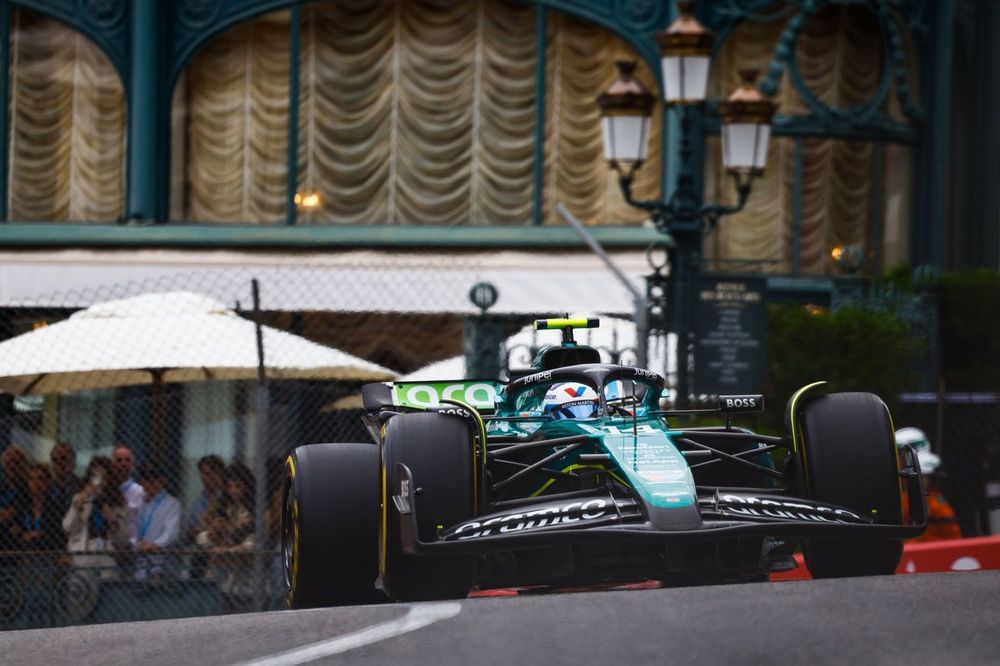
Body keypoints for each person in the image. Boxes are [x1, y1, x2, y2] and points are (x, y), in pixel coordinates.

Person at [62, 456, 129, 578]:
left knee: (108, 586)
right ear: (88, 478)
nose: (98, 482)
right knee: (81, 590)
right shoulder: (80, 498)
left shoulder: (119, 504)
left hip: (106, 554)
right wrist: (77, 506)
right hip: (83, 554)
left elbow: (123, 540)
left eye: (103, 477)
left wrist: (112, 520)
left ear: (109, 479)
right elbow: (67, 527)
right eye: (94, 477)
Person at [896, 427, 963, 542]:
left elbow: (954, 539)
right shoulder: (901, 494)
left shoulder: (935, 505)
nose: (896, 458)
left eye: (898, 453)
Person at [134, 463, 181, 580]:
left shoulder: (172, 503)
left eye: (154, 478)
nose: (150, 482)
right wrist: (137, 543)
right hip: (140, 560)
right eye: (146, 478)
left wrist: (154, 545)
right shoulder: (137, 503)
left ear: (162, 480)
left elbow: (171, 532)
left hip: (163, 562)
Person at [16, 464, 63, 552]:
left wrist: (30, 535)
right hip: (24, 552)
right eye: (31, 479)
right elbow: (16, 529)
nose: (36, 482)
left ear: (48, 481)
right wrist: (23, 535)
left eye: (40, 478)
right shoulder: (23, 505)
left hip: (48, 552)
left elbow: (55, 534)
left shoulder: (56, 506)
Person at [0, 447, 32, 561]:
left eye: (17, 462)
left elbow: (13, 514)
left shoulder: (29, 488)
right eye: (9, 462)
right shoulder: (3, 487)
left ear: (25, 465)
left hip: (20, 541)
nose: (13, 466)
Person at [112, 445, 145, 547]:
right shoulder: (106, 490)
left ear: (132, 465)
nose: (123, 463)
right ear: (112, 465)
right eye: (119, 460)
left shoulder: (139, 491)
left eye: (127, 460)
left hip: (131, 546)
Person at [48, 443, 81, 542]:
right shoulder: (46, 488)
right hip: (51, 539)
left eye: (64, 458)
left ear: (73, 462)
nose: (59, 462)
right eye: (55, 459)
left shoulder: (82, 487)